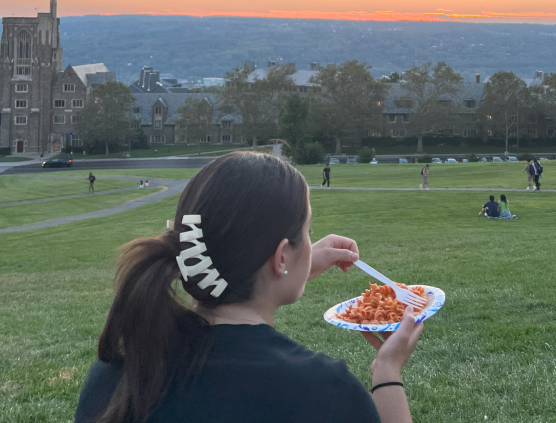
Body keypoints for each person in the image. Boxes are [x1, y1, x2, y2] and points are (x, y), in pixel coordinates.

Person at [74, 152, 424, 423]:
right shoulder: (321, 389)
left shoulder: (118, 371)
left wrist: (289, 269)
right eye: (307, 232)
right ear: (280, 256)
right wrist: (387, 373)